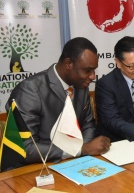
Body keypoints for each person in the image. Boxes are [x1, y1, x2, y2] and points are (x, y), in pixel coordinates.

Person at [5, 37, 111, 168]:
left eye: (94, 70)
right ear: (68, 64)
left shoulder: (81, 85)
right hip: (34, 169)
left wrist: (85, 153)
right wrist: (80, 150)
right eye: (87, 70)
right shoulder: (29, 90)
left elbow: (88, 124)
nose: (93, 76)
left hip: (74, 164)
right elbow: (25, 148)